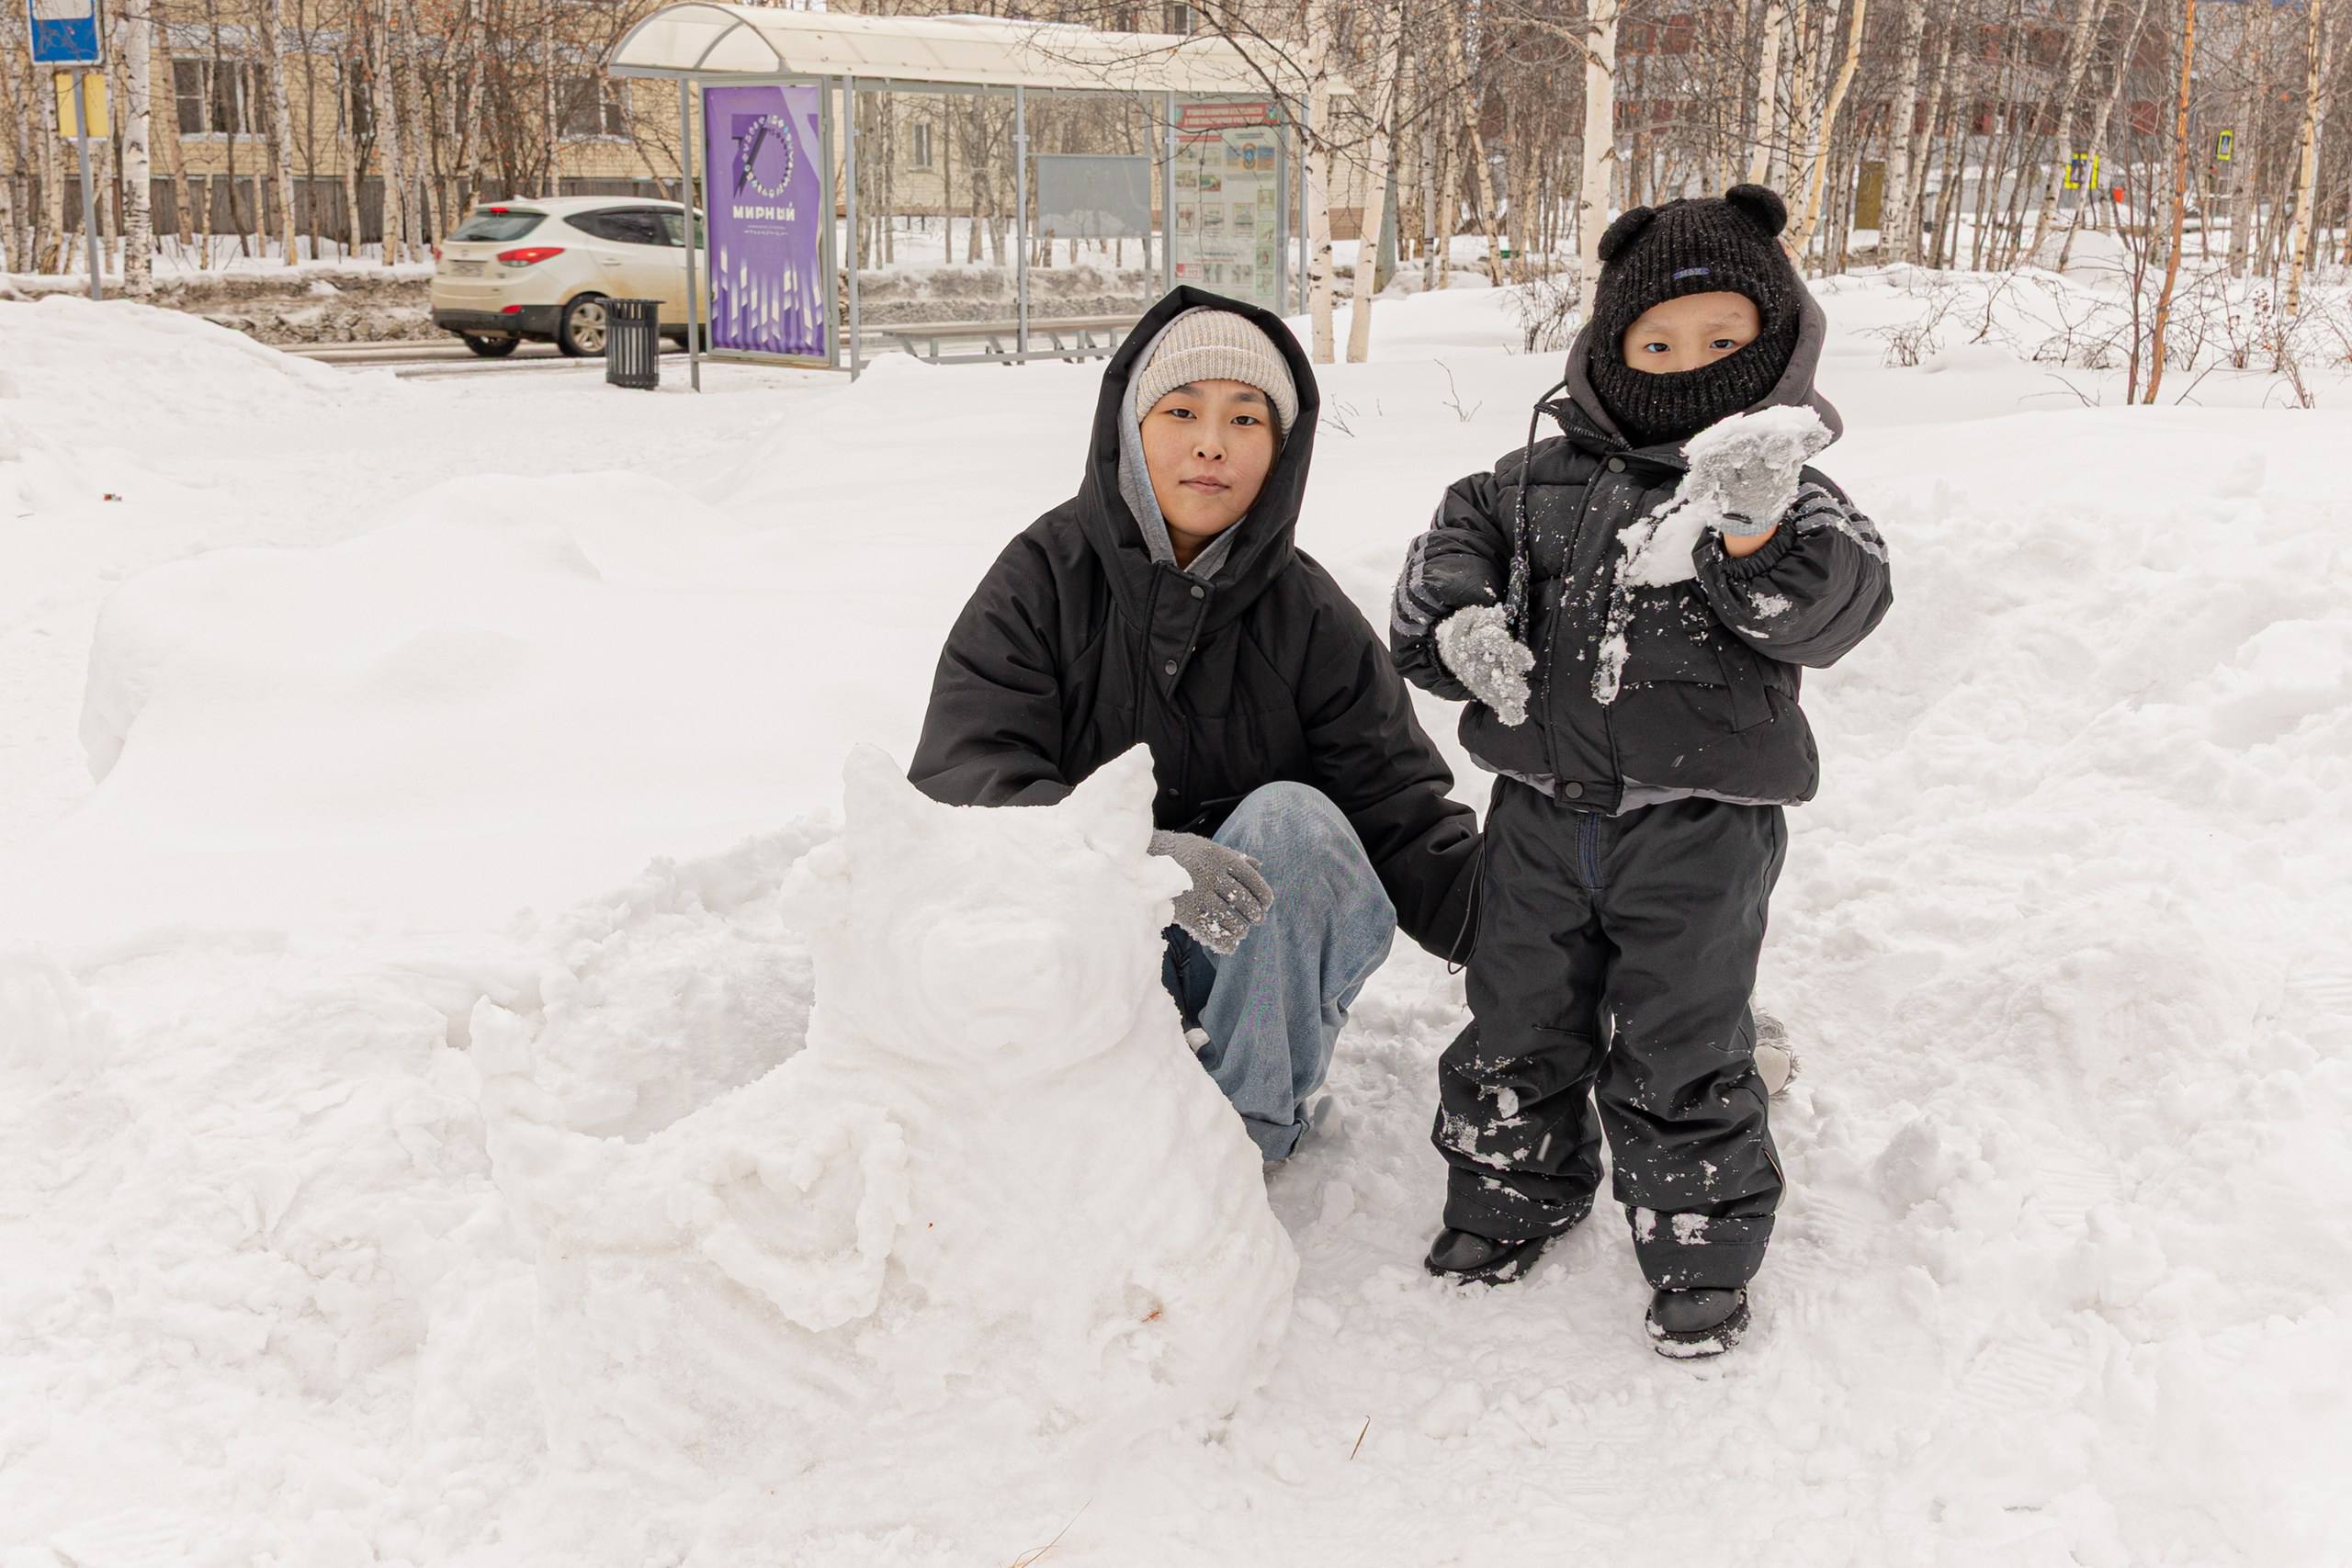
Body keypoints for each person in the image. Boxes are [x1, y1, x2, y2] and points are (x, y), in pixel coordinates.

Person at [1387, 186, 1894, 1357]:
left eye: (1723, 340)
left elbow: (1834, 608)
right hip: (1535, 819)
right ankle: (1510, 1191)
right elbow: (1441, 560)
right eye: (1655, 341)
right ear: (1607, 347)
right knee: (1514, 1016)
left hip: (1699, 837)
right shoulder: (1520, 484)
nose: (1685, 364)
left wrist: (1757, 534)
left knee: (1684, 1035)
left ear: (1777, 343)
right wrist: (1458, 623)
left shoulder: (1785, 495)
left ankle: (1699, 1240)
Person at [910, 288, 1481, 1162]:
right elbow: (963, 782)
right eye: (1182, 410)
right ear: (1132, 427)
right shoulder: (1042, 578)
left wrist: (1629, 991)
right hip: (1083, 963)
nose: (1211, 442)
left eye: (1246, 419)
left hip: (1245, 975)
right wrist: (1131, 858)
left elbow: (1406, 820)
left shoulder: (1311, 617)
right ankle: (1067, 1113)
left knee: (1296, 821)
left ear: (1281, 451)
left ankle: (1235, 1143)